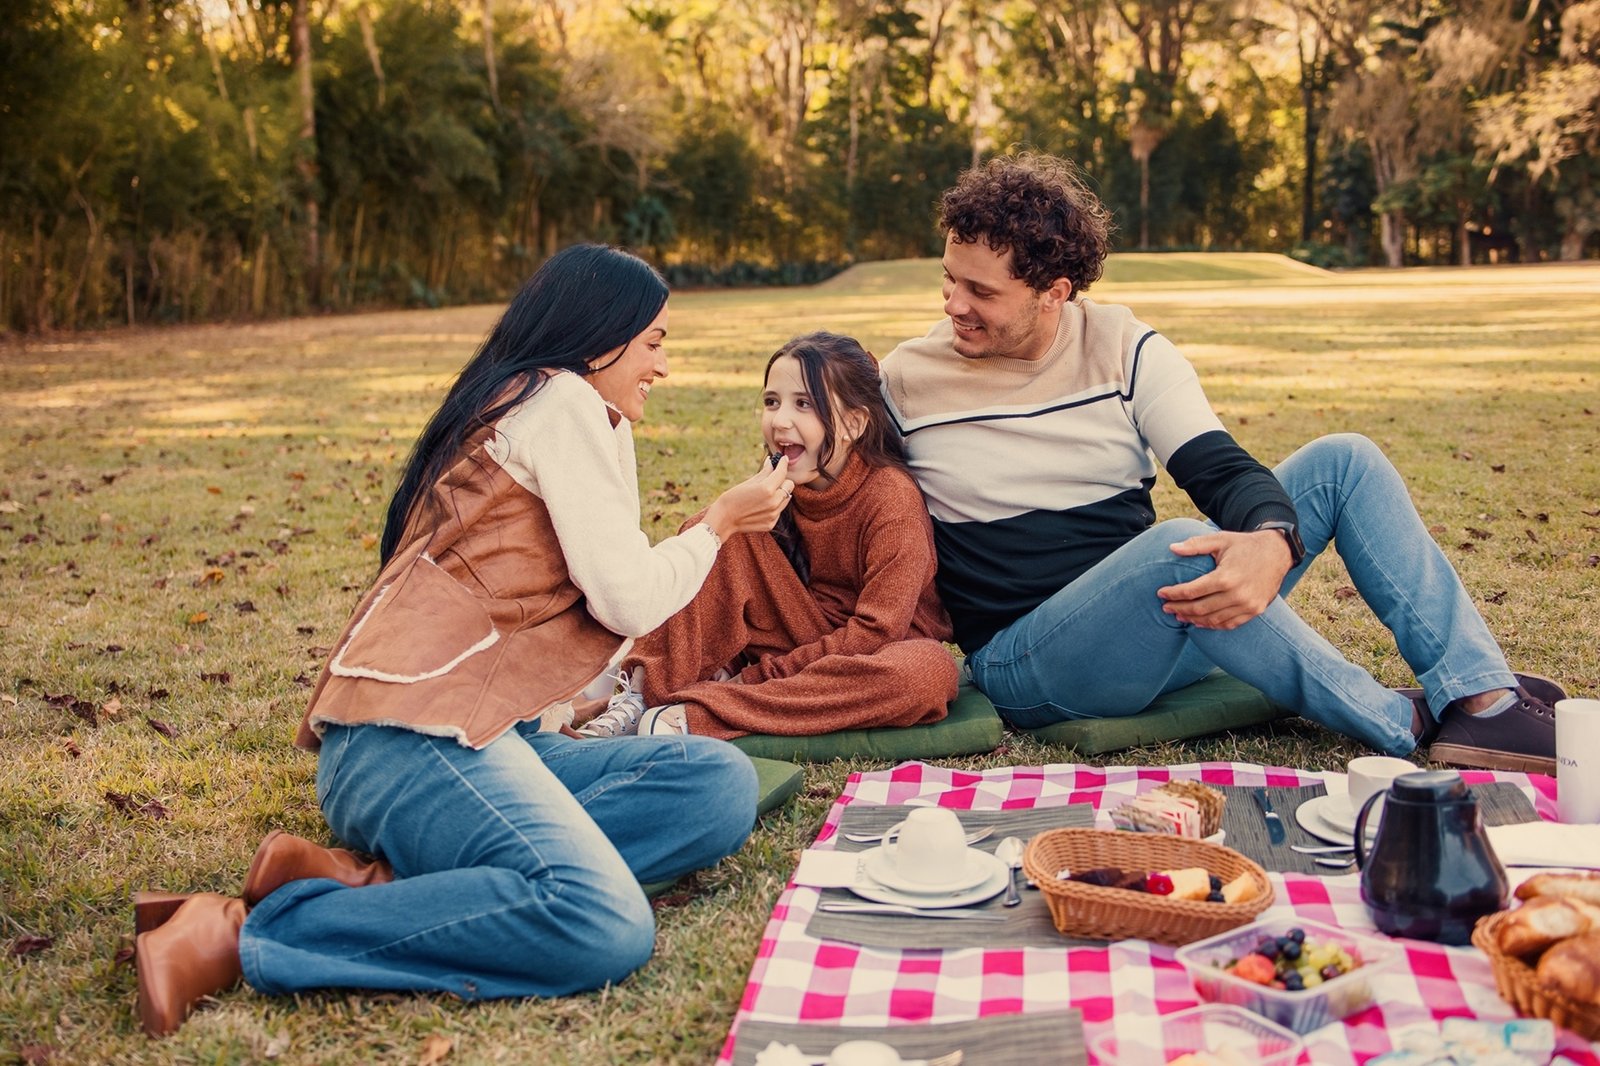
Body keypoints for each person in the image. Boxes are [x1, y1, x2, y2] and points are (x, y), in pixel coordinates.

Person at [130, 243, 797, 1037]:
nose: (662, 365)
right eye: (654, 340)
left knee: (715, 785)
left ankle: (369, 878)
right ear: (599, 338)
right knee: (601, 924)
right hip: (415, 739)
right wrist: (720, 523)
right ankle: (246, 933)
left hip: (480, 737)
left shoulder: (553, 403)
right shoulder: (563, 403)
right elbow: (627, 599)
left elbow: (577, 604)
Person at [879, 152, 1564, 773]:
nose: (953, 305)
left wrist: (1272, 538)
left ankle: (1481, 700)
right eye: (949, 280)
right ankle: (1400, 721)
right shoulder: (907, 377)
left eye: (981, 292)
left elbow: (1220, 470)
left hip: (1165, 629)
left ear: (1054, 291)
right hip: (1030, 664)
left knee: (1344, 462)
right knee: (1181, 547)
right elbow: (833, 498)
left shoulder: (1122, 346)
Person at [576, 331, 959, 740]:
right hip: (791, 642)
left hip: (872, 655)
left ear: (853, 423)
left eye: (804, 404)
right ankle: (641, 694)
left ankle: (694, 716)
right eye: (772, 402)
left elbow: (879, 631)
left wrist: (759, 678)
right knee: (720, 528)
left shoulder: (891, 498)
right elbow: (723, 561)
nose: (779, 421)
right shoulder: (775, 486)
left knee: (928, 673)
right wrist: (729, 518)